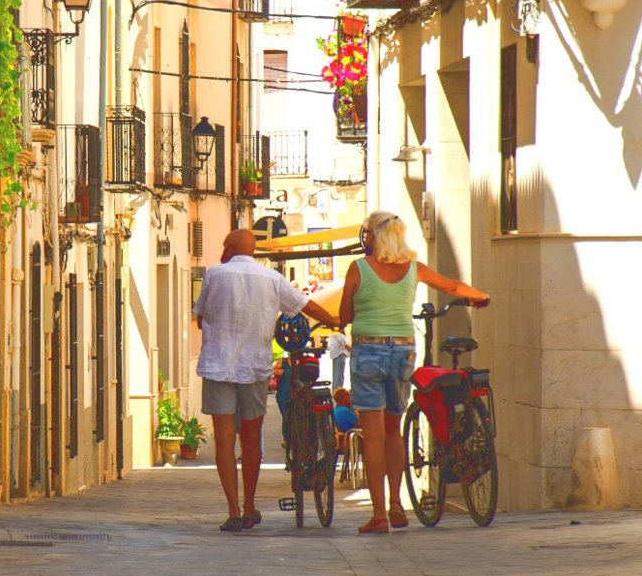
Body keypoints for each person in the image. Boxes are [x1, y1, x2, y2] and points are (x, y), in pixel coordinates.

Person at [338, 211, 489, 534]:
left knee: (373, 435)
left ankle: (378, 514)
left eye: (366, 233)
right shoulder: (413, 268)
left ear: (372, 236)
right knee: (393, 431)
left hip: (368, 350)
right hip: (403, 351)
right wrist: (479, 296)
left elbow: (344, 315)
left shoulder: (359, 268)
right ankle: (396, 504)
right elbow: (451, 285)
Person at [193, 229, 341, 532]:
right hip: (255, 368)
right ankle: (249, 506)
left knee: (224, 440)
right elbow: (305, 305)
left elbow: (200, 316)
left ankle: (233, 510)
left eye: (224, 244)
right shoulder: (272, 278)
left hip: (219, 365)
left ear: (231, 247)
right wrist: (336, 320)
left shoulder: (214, 275)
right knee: (251, 439)